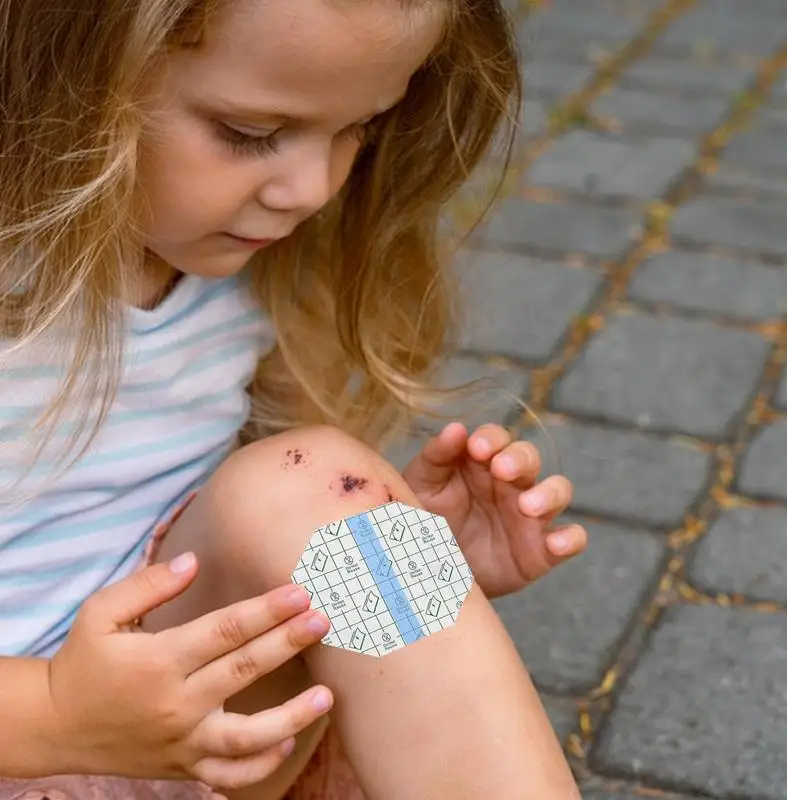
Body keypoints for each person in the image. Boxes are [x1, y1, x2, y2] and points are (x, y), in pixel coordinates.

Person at [0, 0, 588, 797]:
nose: (312, 188)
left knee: (327, 496)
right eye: (249, 133)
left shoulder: (243, 280)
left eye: (360, 128)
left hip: (176, 739)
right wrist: (58, 715)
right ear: (61, 74)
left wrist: (401, 567)